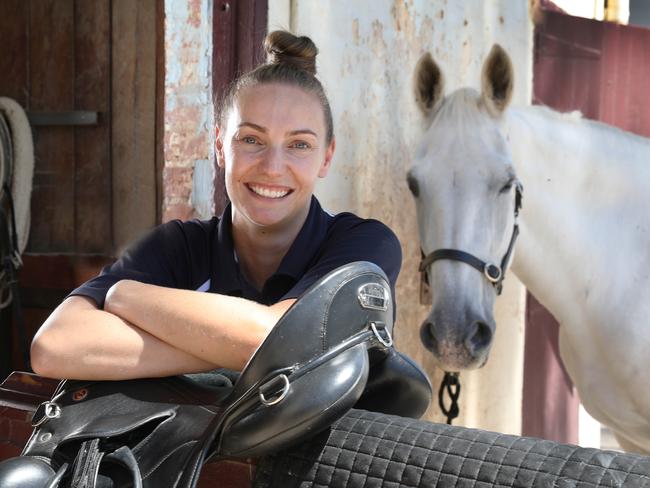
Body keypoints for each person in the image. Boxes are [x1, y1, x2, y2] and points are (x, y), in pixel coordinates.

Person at [30, 31, 401, 381]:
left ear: (326, 157)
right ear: (221, 147)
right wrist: (236, 348)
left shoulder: (363, 247)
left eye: (299, 144)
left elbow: (285, 338)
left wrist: (126, 296)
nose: (272, 167)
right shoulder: (179, 247)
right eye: (252, 139)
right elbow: (54, 345)